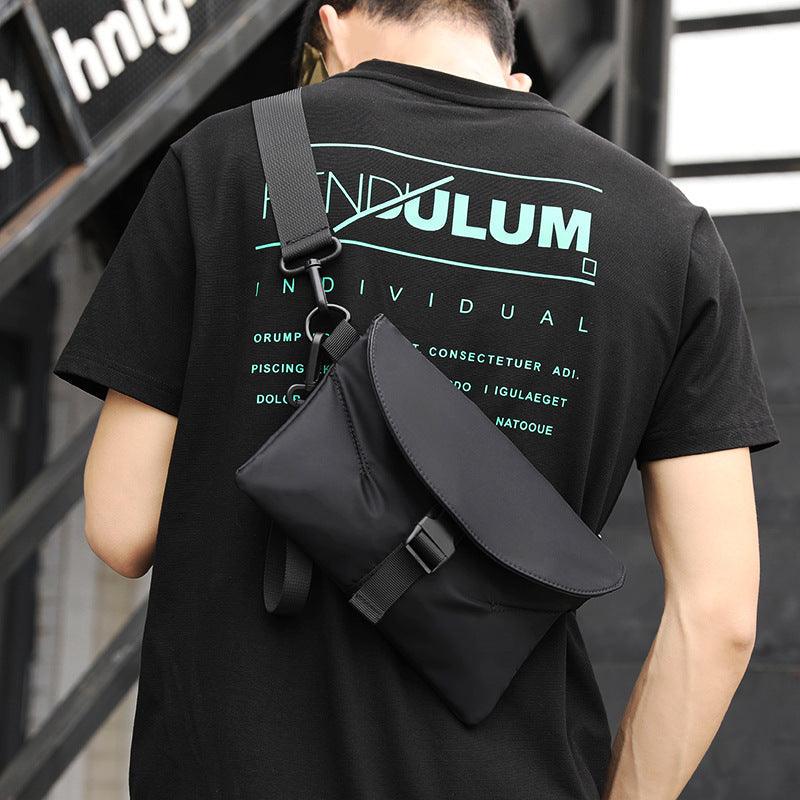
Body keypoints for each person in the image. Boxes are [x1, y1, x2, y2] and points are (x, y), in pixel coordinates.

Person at [53, 1, 779, 798]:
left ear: (331, 25)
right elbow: (718, 618)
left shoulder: (221, 161)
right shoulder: (667, 233)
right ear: (505, 48)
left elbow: (120, 526)